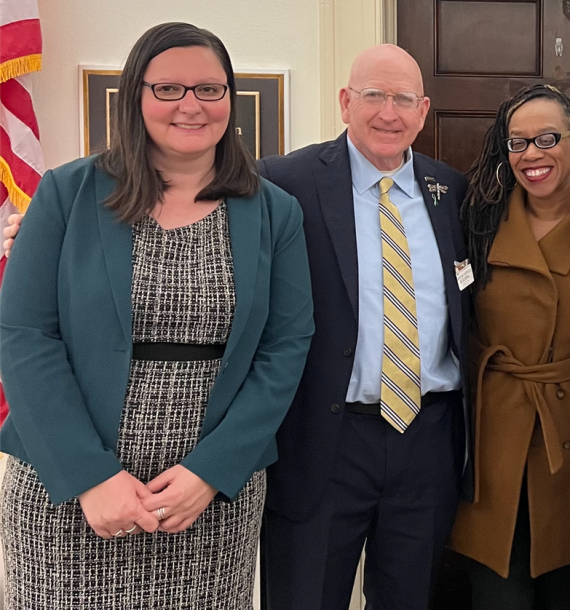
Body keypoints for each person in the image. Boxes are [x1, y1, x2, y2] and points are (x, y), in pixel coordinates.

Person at [0, 22, 313, 610]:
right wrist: (90, 476)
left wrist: (212, 471)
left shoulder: (276, 212)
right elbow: (23, 336)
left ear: (230, 97)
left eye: (209, 89)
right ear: (135, 96)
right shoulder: (66, 193)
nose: (191, 105)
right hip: (68, 492)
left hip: (208, 499)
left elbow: (286, 347)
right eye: (168, 89)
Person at [256, 45, 471, 610]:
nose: (388, 113)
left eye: (403, 99)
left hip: (427, 439)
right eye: (374, 95)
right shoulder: (286, 181)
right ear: (346, 101)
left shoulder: (451, 191)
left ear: (423, 111)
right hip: (323, 442)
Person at [452, 84, 570, 609]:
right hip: (493, 435)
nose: (531, 154)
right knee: (498, 592)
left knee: (569, 587)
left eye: (547, 138)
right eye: (517, 142)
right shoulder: (479, 216)